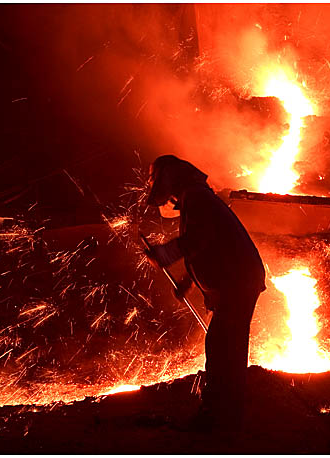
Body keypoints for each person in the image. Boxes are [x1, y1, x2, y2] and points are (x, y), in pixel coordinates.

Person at [144, 154, 266, 432]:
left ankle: (222, 418)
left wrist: (164, 253)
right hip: (237, 282)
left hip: (238, 283)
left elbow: (197, 239)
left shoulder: (196, 199)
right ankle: (225, 412)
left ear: (169, 179)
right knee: (224, 346)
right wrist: (189, 281)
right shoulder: (195, 199)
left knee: (224, 348)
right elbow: (208, 247)